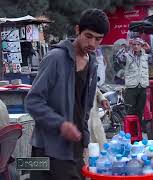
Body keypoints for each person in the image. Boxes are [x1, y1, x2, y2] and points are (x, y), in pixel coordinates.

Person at [25, 9, 109, 180]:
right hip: (46, 148)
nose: (92, 43)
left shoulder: (91, 63)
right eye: (88, 36)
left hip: (75, 147)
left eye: (98, 39)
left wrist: (86, 141)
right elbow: (32, 101)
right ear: (78, 30)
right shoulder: (55, 58)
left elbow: (85, 108)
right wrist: (61, 124)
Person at [115, 38, 153, 125]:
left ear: (141, 46)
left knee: (140, 111)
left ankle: (137, 131)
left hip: (142, 87)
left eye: (138, 45)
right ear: (131, 46)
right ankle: (130, 132)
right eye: (134, 44)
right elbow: (119, 58)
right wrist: (125, 47)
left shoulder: (146, 57)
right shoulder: (127, 56)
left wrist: (149, 49)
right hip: (131, 88)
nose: (136, 46)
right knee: (130, 111)